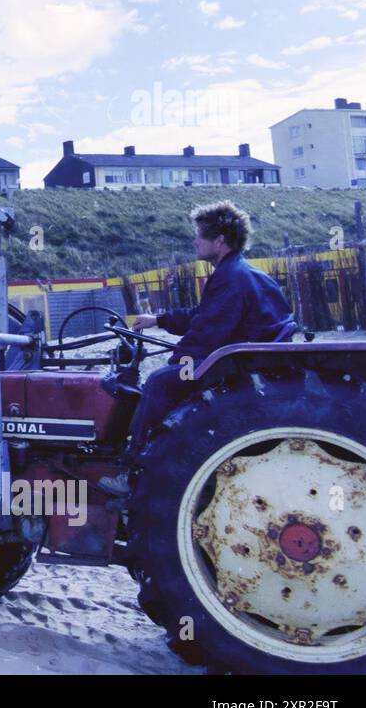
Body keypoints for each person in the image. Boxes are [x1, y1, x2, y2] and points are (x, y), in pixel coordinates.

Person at [100, 201, 296, 496]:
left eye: (201, 236)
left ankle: (133, 473)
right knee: (168, 375)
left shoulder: (231, 278)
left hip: (239, 365)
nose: (195, 241)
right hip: (246, 359)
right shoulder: (239, 273)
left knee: (159, 382)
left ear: (219, 241)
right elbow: (203, 315)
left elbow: (205, 334)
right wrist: (159, 320)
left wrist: (176, 361)